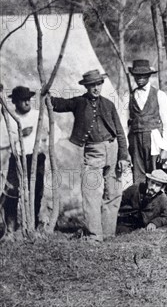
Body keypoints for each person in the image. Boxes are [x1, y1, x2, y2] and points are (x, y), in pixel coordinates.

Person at [51, 70, 129, 242]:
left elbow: (120, 132)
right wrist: (45, 95)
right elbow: (59, 104)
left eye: (98, 84)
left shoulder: (108, 104)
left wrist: (123, 156)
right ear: (86, 87)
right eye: (92, 85)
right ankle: (94, 235)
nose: (96, 88)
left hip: (113, 149)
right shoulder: (79, 102)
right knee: (91, 192)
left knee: (114, 192)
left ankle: (108, 234)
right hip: (93, 152)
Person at [0, 86, 49, 234]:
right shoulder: (8, 119)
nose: (27, 103)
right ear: (15, 102)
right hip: (17, 159)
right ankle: (11, 227)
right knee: (12, 191)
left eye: (28, 100)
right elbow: (1, 141)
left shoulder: (38, 115)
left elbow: (56, 132)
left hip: (36, 158)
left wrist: (43, 144)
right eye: (23, 100)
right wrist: (19, 134)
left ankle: (30, 225)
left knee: (36, 191)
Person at [127, 59, 167, 185]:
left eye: (143, 75)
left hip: (154, 141)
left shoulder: (159, 95)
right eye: (137, 75)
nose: (140, 79)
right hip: (135, 141)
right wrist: (127, 147)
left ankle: (157, 203)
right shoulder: (129, 97)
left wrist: (165, 148)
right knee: (138, 176)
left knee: (156, 175)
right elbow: (124, 124)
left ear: (148, 76)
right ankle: (140, 203)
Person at [117, 169, 167, 233]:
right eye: (152, 182)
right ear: (148, 181)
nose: (153, 187)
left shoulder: (162, 198)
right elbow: (118, 200)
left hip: (140, 226)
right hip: (124, 221)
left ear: (162, 187)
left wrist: (154, 223)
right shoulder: (135, 188)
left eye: (158, 185)